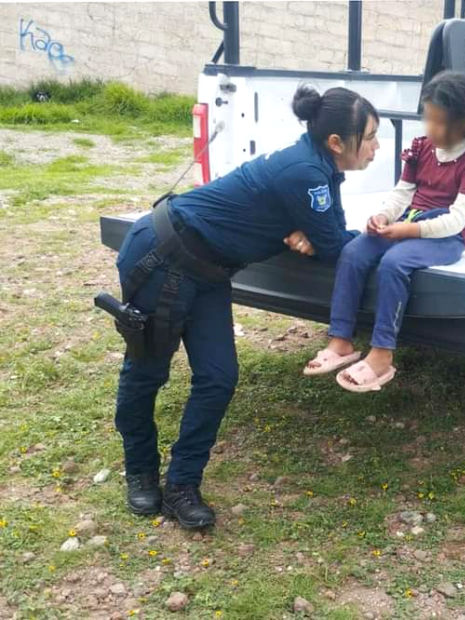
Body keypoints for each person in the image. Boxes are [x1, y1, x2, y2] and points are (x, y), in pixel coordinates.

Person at [113, 85, 379, 528]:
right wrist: (357, 237)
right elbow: (336, 243)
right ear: (337, 142)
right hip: (162, 256)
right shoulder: (307, 174)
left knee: (218, 378)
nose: (375, 147)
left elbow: (329, 235)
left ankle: (181, 485)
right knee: (148, 371)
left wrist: (314, 235)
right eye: (369, 136)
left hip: (210, 270)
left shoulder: (320, 169)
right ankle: (140, 470)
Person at [303, 71, 465, 392]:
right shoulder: (421, 148)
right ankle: (341, 341)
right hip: (409, 220)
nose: (431, 128)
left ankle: (382, 353)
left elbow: (457, 220)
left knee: (394, 263)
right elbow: (402, 193)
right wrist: (382, 216)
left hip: (445, 237)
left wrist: (409, 231)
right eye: (427, 119)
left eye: (440, 121)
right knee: (353, 252)